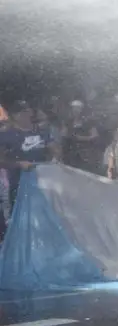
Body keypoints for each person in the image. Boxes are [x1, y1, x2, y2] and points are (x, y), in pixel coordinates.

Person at [0, 100, 61, 239]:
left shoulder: (41, 131)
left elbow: (54, 148)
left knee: (44, 216)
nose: (27, 115)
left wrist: (55, 157)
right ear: (15, 116)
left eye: (28, 111)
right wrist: (18, 164)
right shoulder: (6, 134)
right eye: (23, 112)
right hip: (18, 185)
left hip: (42, 183)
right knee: (21, 219)